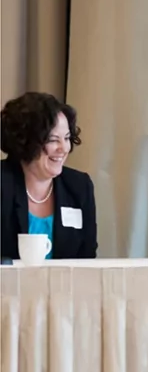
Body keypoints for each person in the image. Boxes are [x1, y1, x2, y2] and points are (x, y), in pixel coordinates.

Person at [1, 92, 97, 260]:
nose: (64, 148)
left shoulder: (79, 187)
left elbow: (87, 258)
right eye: (53, 140)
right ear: (26, 141)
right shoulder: (3, 183)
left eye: (67, 138)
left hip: (66, 286)